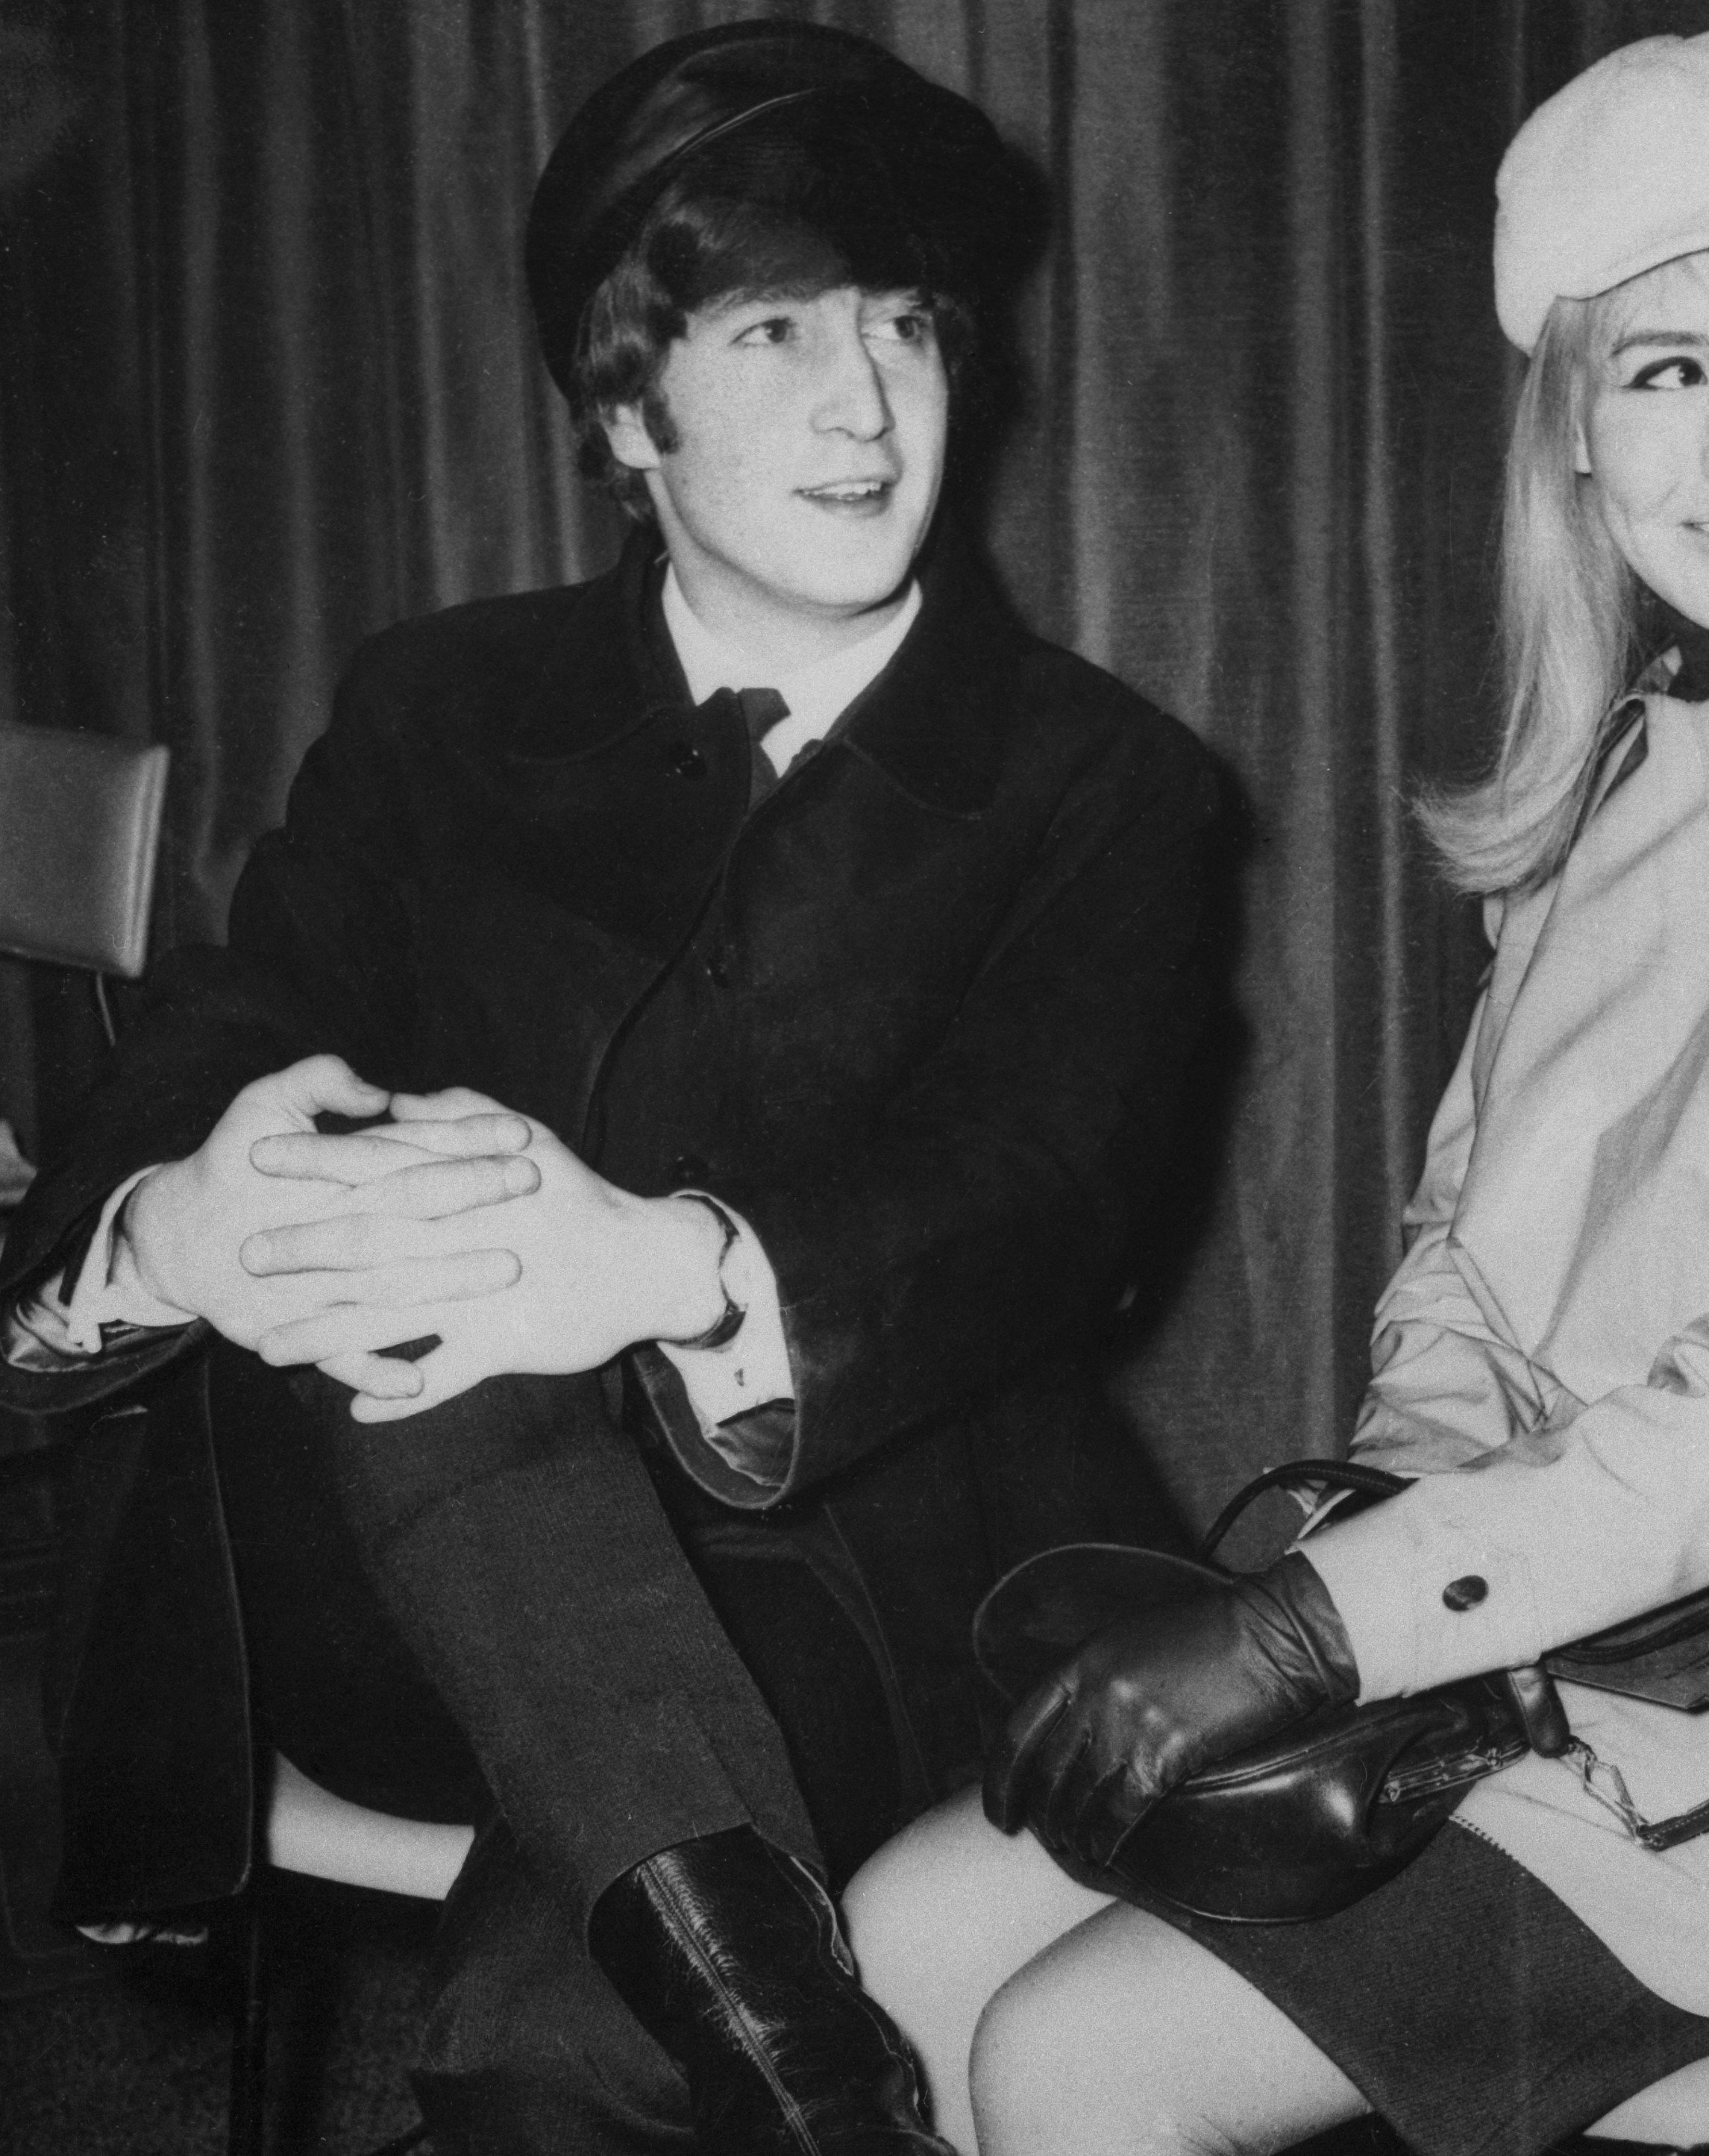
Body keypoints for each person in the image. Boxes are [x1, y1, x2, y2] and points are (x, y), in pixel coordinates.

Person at [842, 22, 1709, 2155]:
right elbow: (1464, 1288)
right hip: (1575, 1639)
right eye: (1662, 370)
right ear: (1572, 440)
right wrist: (1375, 1581)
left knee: (1070, 2060)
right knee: (909, 1924)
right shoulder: (1617, 795)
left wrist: (1314, 1634)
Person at [0, 20, 1225, 2156]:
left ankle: (780, 2064)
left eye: (907, 329)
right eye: (773, 332)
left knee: (553, 2027)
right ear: (625, 401)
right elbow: (236, 1008)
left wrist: (656, 1266)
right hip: (402, 1583)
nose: (865, 404)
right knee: (431, 1252)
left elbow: (1049, 1187)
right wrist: (175, 1217)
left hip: (867, 1586)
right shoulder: (437, 705)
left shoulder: (1102, 785)